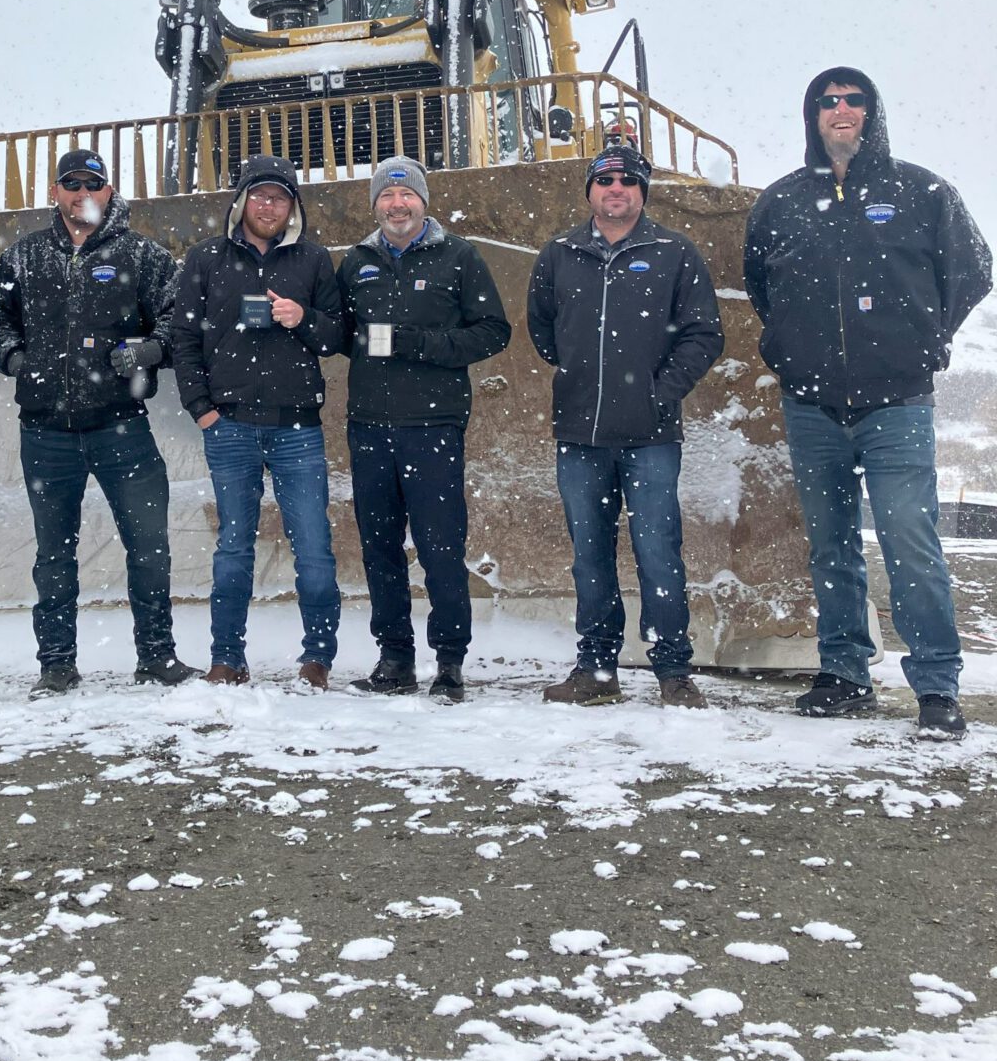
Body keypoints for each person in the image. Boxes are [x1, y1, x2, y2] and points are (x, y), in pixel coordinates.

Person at [744, 68, 991, 737]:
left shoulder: (921, 191)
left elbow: (973, 271)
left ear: (872, 112)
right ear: (812, 116)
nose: (841, 110)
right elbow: (760, 286)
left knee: (912, 544)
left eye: (853, 100)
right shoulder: (782, 202)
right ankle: (845, 673)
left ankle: (937, 687)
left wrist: (925, 340)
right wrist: (793, 351)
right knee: (830, 546)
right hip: (812, 405)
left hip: (898, 404)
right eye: (828, 102)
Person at [0, 148, 196, 694]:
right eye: (70, 184)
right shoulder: (22, 258)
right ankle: (56, 663)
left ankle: (156, 655)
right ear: (54, 192)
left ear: (109, 191)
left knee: (148, 546)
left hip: (122, 427)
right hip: (46, 434)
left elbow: (179, 320)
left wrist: (149, 351)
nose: (82, 194)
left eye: (93, 185)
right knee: (53, 553)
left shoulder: (142, 255)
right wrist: (16, 360)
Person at [527, 145, 723, 708]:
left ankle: (673, 672)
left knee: (658, 551)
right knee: (589, 554)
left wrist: (658, 392)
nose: (617, 189)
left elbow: (703, 334)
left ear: (643, 192)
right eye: (606, 180)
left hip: (651, 436)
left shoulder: (673, 252)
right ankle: (596, 669)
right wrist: (581, 373)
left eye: (629, 181)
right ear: (590, 190)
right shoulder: (560, 253)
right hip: (579, 434)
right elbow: (543, 329)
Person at [337, 156, 511, 701]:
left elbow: (493, 332)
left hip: (433, 426)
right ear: (374, 205)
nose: (396, 205)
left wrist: (422, 344)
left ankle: (450, 661)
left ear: (423, 201)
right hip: (368, 427)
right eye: (386, 197)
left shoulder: (458, 257)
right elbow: (343, 334)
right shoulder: (356, 263)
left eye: (406, 195)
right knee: (379, 547)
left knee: (440, 546)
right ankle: (394, 656)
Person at [171, 154, 344, 689]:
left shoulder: (314, 261)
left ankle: (317, 658)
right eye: (260, 195)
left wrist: (303, 318)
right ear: (241, 201)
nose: (269, 206)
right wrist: (202, 409)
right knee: (233, 546)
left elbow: (338, 337)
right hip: (231, 426)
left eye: (280, 197)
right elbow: (184, 338)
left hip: (298, 427)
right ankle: (227, 657)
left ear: (294, 205)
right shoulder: (206, 259)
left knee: (313, 545)